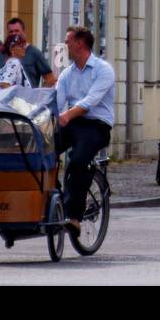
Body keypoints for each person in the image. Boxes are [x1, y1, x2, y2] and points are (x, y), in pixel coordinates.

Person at [55, 26, 115, 237]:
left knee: (78, 160)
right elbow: (56, 102)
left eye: (68, 41)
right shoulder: (66, 74)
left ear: (79, 43)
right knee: (43, 149)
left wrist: (67, 115)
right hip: (73, 122)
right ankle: (52, 197)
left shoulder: (103, 70)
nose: (66, 45)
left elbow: (91, 101)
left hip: (96, 124)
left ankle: (74, 217)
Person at [0, 17, 55, 88]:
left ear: (23, 32)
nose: (14, 34)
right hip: (12, 97)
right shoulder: (0, 54)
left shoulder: (34, 53)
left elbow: (50, 79)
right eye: (11, 31)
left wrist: (38, 95)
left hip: (28, 97)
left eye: (17, 31)